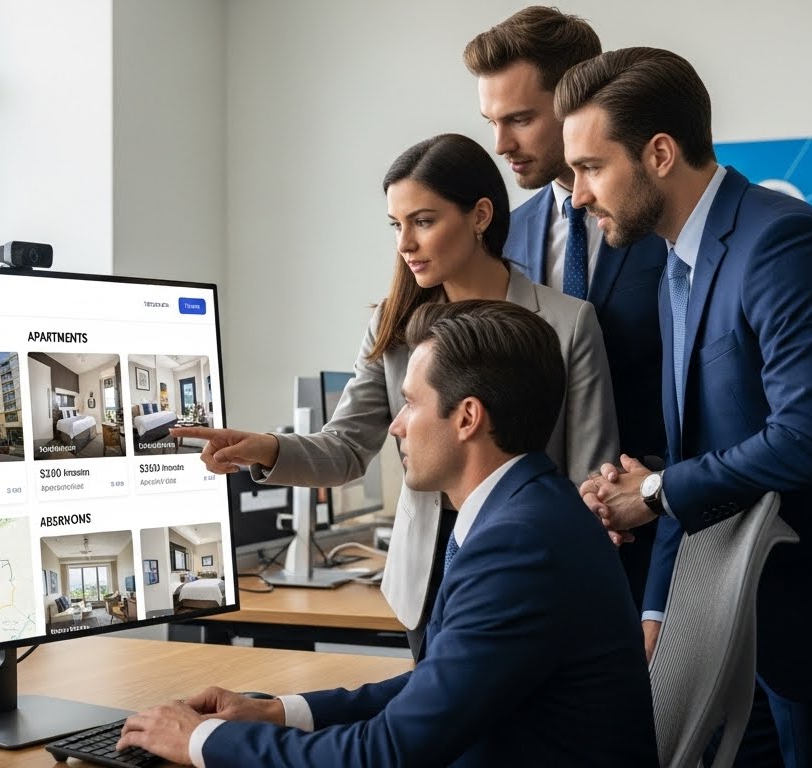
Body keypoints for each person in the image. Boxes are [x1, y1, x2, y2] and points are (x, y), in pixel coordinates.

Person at [559, 47, 812, 766]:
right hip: (749, 620)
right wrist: (656, 608)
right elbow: (701, 450)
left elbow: (806, 440)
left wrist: (651, 492)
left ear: (657, 153)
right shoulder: (676, 263)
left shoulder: (782, 242)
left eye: (589, 168)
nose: (578, 196)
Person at [118, 300, 657, 767]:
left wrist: (201, 740)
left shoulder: (519, 544)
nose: (396, 425)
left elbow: (387, 753)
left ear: (467, 417)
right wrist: (278, 711)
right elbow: (438, 690)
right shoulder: (529, 511)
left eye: (412, 403)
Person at [173, 133, 619, 658]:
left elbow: (588, 477)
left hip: (529, 572)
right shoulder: (393, 325)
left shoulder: (568, 324)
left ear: (479, 215)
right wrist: (267, 448)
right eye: (397, 224)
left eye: (423, 221)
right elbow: (345, 449)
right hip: (427, 577)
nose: (404, 243)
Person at [464, 6, 666, 610]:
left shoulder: (667, 221)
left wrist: (645, 489)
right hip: (537, 548)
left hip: (661, 536)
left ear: (580, 96)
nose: (501, 145)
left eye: (521, 119)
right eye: (492, 122)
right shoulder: (502, 237)